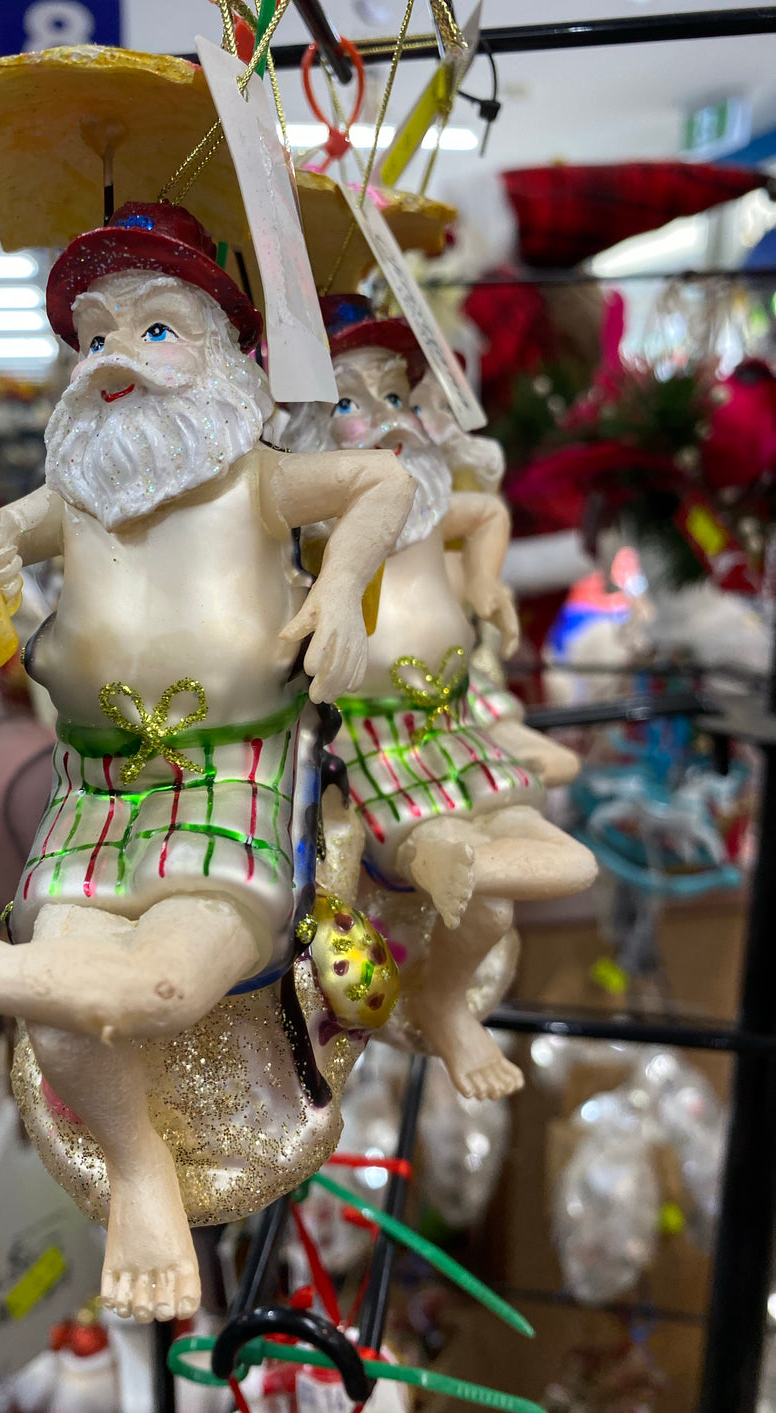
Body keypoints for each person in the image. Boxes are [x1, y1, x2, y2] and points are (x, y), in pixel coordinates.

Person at [0, 204, 413, 1325]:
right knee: (59, 1017)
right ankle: (139, 1168)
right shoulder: (70, 497)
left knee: (164, 987)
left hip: (229, 770)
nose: (109, 362)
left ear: (227, 355)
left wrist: (336, 589)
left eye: (151, 330)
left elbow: (379, 487)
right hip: (97, 787)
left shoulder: (263, 480)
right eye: (91, 336)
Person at [281, 295, 596, 1101]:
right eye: (350, 402)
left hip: (455, 730)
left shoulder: (426, 512)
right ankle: (448, 1002)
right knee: (486, 910)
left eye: (396, 396)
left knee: (569, 862)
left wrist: (487, 581)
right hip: (377, 745)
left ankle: (460, 862)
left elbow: (489, 510)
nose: (388, 418)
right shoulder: (315, 530)